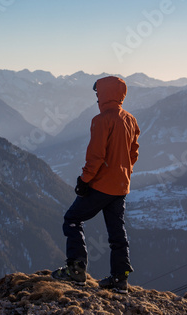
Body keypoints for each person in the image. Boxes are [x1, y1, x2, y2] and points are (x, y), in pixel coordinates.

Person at [51, 76, 140, 294]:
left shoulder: (101, 120)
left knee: (72, 220)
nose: (96, 97)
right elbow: (133, 153)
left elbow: (96, 156)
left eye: (98, 92)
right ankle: (120, 278)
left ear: (105, 93)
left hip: (101, 185)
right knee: (117, 231)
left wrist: (84, 181)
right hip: (121, 186)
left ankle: (76, 269)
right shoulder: (130, 119)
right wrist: (122, 172)